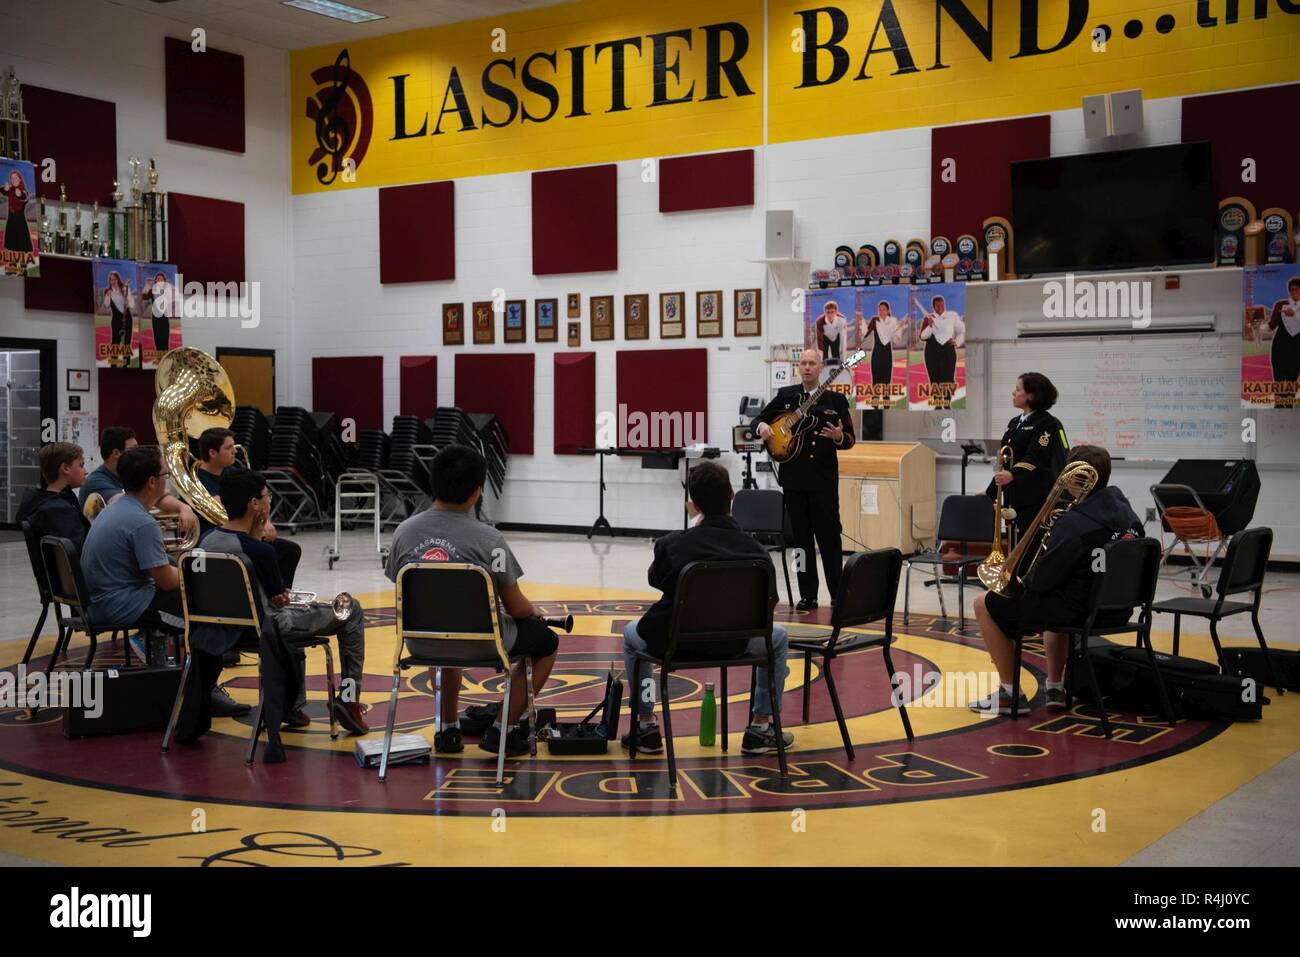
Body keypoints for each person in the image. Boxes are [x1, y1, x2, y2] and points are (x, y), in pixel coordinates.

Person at [386, 444, 558, 757]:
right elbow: (515, 607)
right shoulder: (489, 540)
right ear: (477, 492)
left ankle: (448, 730)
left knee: (446, 625)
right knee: (545, 642)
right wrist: (535, 612)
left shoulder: (403, 533)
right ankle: (502, 729)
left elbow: (397, 583)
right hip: (483, 643)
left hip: (419, 642)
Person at [622, 460, 793, 755]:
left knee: (630, 634)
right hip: (735, 644)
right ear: (732, 495)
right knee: (777, 638)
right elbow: (769, 604)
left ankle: (646, 725)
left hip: (677, 645)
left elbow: (656, 579)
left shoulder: (672, 545)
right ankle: (761, 727)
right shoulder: (757, 552)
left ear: (694, 504)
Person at [971, 445, 1144, 715]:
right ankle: (1054, 687)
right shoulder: (1130, 518)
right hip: (1117, 611)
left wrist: (1023, 578)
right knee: (1061, 595)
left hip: (1079, 613)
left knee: (985, 603)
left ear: (1074, 478)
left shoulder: (1075, 522)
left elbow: (1040, 582)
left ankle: (1008, 693)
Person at [79, 446, 248, 717]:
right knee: (209, 618)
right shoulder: (141, 522)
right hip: (125, 604)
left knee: (204, 605)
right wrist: (208, 579)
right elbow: (168, 581)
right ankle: (202, 694)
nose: (168, 480)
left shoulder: (118, 505)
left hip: (109, 598)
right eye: (166, 474)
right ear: (152, 482)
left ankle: (191, 684)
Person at [200, 470, 369, 734]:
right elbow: (279, 600)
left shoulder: (206, 541)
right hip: (268, 627)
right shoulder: (260, 550)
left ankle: (292, 705)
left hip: (220, 630)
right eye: (267, 496)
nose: (270, 502)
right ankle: (349, 699)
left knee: (295, 622)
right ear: (254, 504)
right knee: (351, 609)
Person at [753, 347, 856, 610]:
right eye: (804, 363)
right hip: (794, 481)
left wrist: (838, 438)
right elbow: (760, 420)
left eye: (812, 363)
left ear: (821, 368)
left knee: (830, 540)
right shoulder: (786, 396)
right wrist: (762, 427)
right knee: (800, 543)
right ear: (799, 367)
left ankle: (837, 594)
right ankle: (807, 594)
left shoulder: (836, 402)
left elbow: (851, 440)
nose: (807, 367)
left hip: (823, 482)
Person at [195, 427, 300, 587]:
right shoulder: (196, 481)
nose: (234, 452)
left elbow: (260, 496)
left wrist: (266, 522)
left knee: (290, 550)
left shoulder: (233, 472)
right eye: (229, 448)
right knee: (264, 553)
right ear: (212, 453)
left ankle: (279, 593)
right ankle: (272, 594)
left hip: (246, 531)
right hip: (216, 535)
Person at [985, 372, 1069, 544]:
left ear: (1031, 395)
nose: (1013, 393)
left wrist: (1013, 475)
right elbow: (1005, 460)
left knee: (1028, 547)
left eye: (1018, 390)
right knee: (1012, 543)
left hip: (1034, 497)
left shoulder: (1047, 423)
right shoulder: (1014, 422)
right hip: (1013, 496)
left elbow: (1036, 457)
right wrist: (990, 491)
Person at [79, 425, 197, 536]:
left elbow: (156, 496)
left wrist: (184, 508)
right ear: (116, 453)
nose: (138, 453)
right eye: (133, 449)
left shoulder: (128, 474)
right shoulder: (96, 481)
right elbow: (133, 500)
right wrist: (157, 491)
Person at [16, 442, 89, 551]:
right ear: (65, 468)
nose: (86, 471)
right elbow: (81, 552)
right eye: (81, 465)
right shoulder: (61, 511)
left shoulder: (39, 503)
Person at [917, 293, 965, 386]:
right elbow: (922, 337)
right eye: (937, 305)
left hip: (948, 350)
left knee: (948, 379)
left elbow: (962, 331)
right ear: (933, 307)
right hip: (932, 352)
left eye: (942, 305)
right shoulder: (928, 318)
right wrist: (930, 325)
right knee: (934, 380)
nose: (940, 307)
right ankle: (937, 400)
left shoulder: (952, 315)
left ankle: (947, 400)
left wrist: (957, 342)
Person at [856, 300, 902, 388]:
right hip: (876, 354)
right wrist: (861, 320)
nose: (881, 312)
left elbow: (896, 340)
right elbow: (865, 334)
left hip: (887, 354)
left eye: (884, 309)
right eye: (880, 310)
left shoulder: (893, 321)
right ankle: (875, 400)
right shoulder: (874, 320)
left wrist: (900, 328)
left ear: (888, 311)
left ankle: (886, 400)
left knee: (886, 381)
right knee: (875, 381)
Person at [1268, 276, 1300, 384]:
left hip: (1297, 349)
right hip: (1279, 348)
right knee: (1278, 381)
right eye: (1292, 289)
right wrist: (1257, 326)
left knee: (1292, 380)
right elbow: (1271, 326)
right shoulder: (1280, 304)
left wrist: (1294, 314)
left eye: (1297, 288)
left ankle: (1288, 401)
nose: (1294, 291)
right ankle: (1279, 401)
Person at [2, 168, 32, 255]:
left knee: (21, 248)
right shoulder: (10, 190)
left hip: (20, 224)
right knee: (10, 249)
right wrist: (5, 189)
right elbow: (2, 191)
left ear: (20, 179)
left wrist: (19, 195)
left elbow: (25, 198)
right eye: (12, 178)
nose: (13, 179)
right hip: (11, 222)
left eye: (15, 177)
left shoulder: (23, 191)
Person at [101, 270, 133, 349]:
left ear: (118, 279)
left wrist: (128, 301)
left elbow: (132, 304)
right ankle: (114, 361)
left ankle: (126, 361)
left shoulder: (125, 289)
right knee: (115, 342)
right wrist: (108, 296)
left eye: (114, 279)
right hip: (116, 320)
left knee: (127, 343)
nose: (113, 281)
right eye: (111, 279)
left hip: (127, 318)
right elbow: (106, 305)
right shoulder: (108, 291)